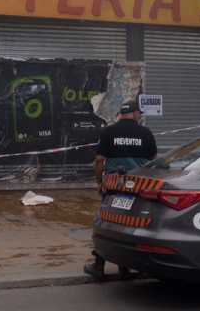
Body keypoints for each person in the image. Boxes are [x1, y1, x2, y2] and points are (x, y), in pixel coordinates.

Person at [84, 99, 158, 280]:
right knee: (132, 225)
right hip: (138, 187)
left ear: (122, 114)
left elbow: (100, 160)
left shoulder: (109, 132)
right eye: (139, 113)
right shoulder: (146, 133)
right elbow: (154, 163)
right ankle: (127, 267)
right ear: (133, 114)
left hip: (114, 187)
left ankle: (99, 266)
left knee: (108, 223)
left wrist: (99, 182)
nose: (140, 116)